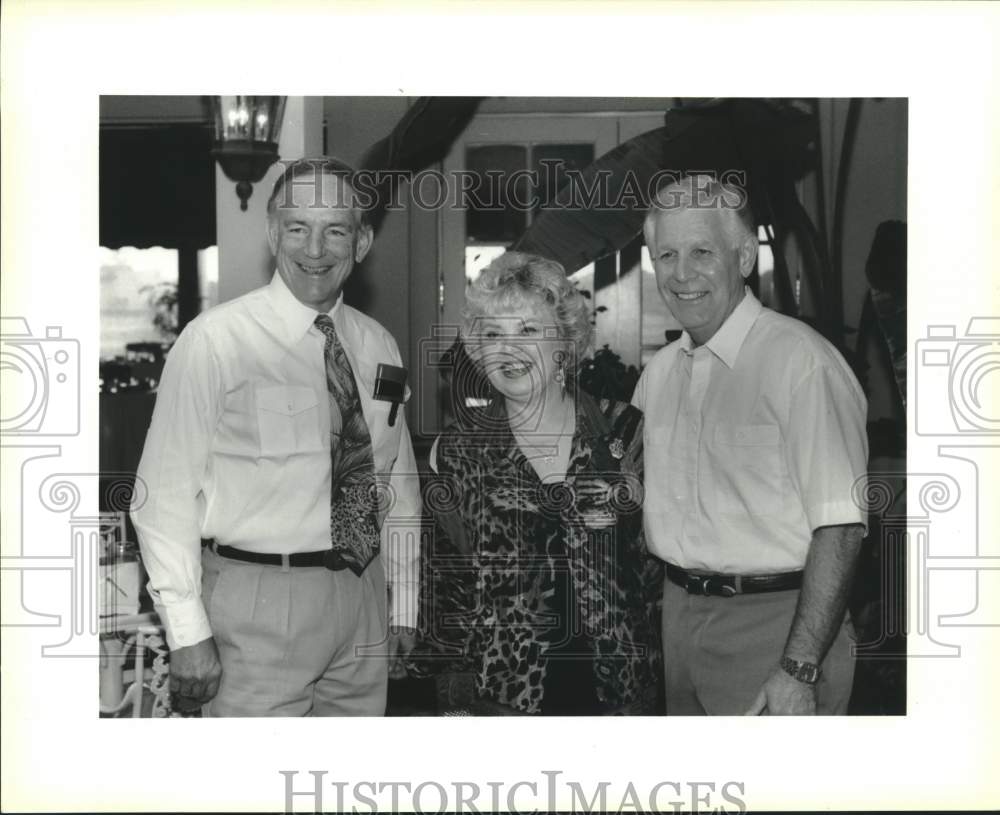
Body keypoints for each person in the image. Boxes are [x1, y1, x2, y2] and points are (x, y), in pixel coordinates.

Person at [131, 157, 421, 716]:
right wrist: (187, 630)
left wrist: (404, 598)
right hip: (256, 602)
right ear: (272, 234)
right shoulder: (214, 341)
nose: (316, 248)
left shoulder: (378, 343)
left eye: (336, 229)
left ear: (361, 243)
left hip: (362, 595)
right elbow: (161, 495)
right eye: (298, 228)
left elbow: (398, 481)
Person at [635, 174, 868, 715]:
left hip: (777, 625)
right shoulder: (659, 374)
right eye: (666, 254)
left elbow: (841, 529)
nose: (682, 274)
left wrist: (798, 667)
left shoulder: (802, 362)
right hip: (678, 620)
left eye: (701, 251)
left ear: (743, 258)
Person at [407, 252, 662, 715]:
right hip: (501, 704)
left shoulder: (625, 433)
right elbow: (446, 600)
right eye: (493, 335)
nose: (510, 350)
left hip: (619, 700)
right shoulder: (457, 453)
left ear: (565, 342)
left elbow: (656, 579)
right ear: (477, 350)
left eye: (528, 331)